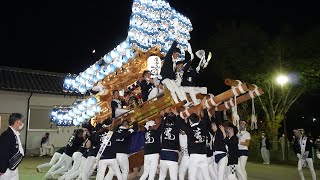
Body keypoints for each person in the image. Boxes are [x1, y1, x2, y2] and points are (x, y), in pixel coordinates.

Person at [160, 41, 191, 106]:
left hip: (170, 78)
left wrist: (190, 60)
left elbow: (183, 66)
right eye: (176, 54)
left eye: (178, 55)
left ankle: (185, 102)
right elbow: (170, 51)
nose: (177, 56)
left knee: (177, 88)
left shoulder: (174, 62)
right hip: (165, 78)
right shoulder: (168, 59)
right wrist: (175, 42)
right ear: (173, 53)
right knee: (172, 89)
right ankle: (177, 103)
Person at [0, 113, 25, 180]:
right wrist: (2, 169)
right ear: (17, 122)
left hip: (13, 167)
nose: (22, 124)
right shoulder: (7, 135)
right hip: (6, 169)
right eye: (22, 122)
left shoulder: (15, 134)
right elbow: (3, 153)